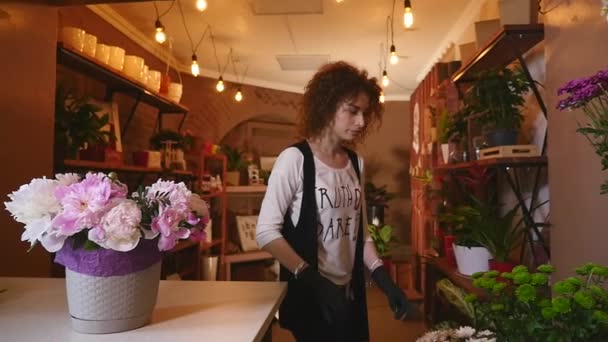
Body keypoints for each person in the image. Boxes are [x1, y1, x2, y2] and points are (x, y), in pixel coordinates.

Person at [256, 61, 413, 341]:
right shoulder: (295, 159)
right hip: (311, 295)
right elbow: (266, 232)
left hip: (350, 292)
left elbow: (360, 234)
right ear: (327, 106)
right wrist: (314, 282)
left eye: (364, 113)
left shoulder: (355, 162)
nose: (361, 122)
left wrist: (384, 281)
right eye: (352, 111)